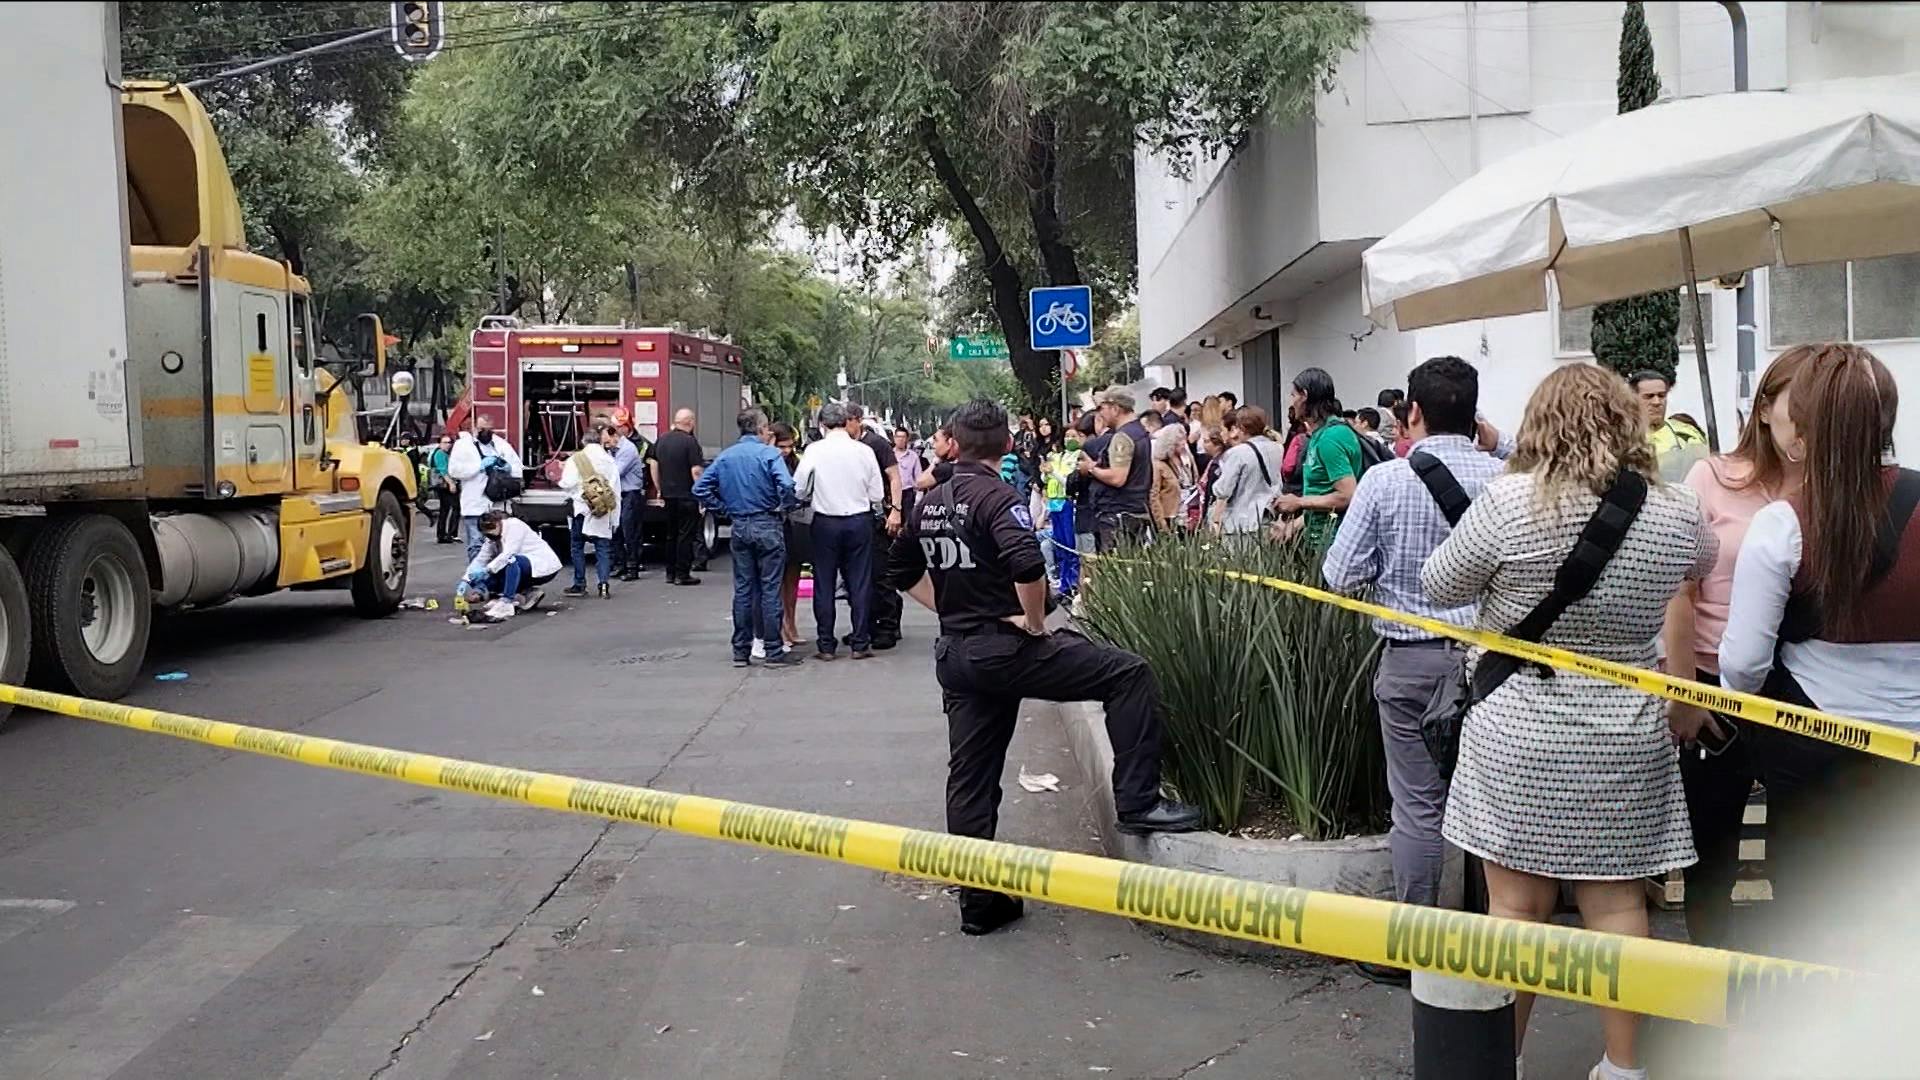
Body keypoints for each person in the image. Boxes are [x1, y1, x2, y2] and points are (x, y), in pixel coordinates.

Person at [1422, 364, 1714, 1080]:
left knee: (1514, 908)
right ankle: (1622, 1067)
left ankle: (1504, 1061)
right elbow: (1703, 561)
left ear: (1540, 422)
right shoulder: (1673, 510)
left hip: (1517, 725)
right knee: (1618, 908)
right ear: (1627, 422)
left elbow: (1438, 584)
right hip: (1625, 733)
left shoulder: (1508, 502)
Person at [883, 398, 1202, 935]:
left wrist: (950, 608)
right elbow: (1028, 561)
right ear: (1008, 445)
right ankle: (1138, 801)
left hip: (959, 655)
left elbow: (899, 569)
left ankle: (979, 903)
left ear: (954, 446)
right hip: (1007, 648)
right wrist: (1033, 622)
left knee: (971, 778)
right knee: (1128, 675)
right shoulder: (996, 496)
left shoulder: (929, 502)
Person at [1719, 343, 1920, 967]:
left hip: (1814, 751)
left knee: (1817, 920)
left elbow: (1743, 667)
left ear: (1804, 433)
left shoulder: (1783, 524)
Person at [1321, 356, 1510, 985]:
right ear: (1475, 414)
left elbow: (1340, 576)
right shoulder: (1508, 479)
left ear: (1414, 412)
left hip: (1411, 663)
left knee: (1419, 807)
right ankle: (1500, 935)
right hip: (1496, 669)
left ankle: (1417, 945)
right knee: (1494, 804)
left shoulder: (1385, 482)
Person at [1652, 348, 1809, 951]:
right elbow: (1680, 591)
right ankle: (1710, 983)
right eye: (1802, 407)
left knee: (1800, 850)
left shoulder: (1824, 486)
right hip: (1716, 684)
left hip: (1800, 690)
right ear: (1765, 407)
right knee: (1712, 848)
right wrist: (1685, 693)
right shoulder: (1711, 477)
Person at [695, 407, 802, 668]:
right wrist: (785, 505)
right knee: (770, 588)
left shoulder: (726, 457)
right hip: (767, 522)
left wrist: (723, 508)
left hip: (740, 525)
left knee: (743, 589)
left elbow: (700, 488)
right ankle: (773, 649)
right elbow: (787, 486)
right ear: (762, 429)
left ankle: (740, 650)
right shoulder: (769, 455)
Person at [795, 402, 884, 660]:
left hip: (825, 522)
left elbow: (799, 488)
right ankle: (860, 642)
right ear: (847, 422)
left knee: (824, 582)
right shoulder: (864, 451)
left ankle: (826, 645)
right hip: (859, 520)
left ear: (822, 424)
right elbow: (877, 493)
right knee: (860, 582)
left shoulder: (814, 450)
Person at [1274, 367, 1362, 548]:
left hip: (1335, 544)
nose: (1291, 402)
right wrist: (1293, 525)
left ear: (1304, 395)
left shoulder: (1331, 437)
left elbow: (1347, 495)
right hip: (1319, 541)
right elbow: (1322, 494)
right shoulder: (1319, 435)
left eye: (1293, 395)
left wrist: (1298, 502)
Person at [845, 404, 906, 649]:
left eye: (847, 421)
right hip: (852, 517)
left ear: (857, 420)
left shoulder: (876, 444)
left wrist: (896, 511)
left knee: (881, 574)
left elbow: (894, 477)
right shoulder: (843, 448)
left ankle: (889, 625)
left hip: (877, 516)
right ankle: (864, 625)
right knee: (857, 578)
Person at [1078, 388, 1153, 550]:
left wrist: (1090, 468)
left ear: (1115, 408)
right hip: (1137, 510)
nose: (1099, 414)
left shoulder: (1123, 437)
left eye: (1101, 408)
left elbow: (1118, 478)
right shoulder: (1141, 432)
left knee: (1115, 569)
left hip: (1119, 515)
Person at [558, 418, 622, 599]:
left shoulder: (576, 459)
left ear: (584, 441)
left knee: (577, 545)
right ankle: (603, 584)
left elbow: (567, 483)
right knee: (603, 547)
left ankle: (580, 584)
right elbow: (615, 490)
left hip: (581, 508)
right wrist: (615, 518)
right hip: (601, 509)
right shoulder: (609, 460)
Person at [447, 413, 524, 562]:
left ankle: (496, 578)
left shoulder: (500, 444)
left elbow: (516, 467)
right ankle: (479, 579)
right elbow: (454, 471)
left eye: (489, 429)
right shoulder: (463, 446)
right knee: (476, 544)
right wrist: (479, 467)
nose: (486, 433)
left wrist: (507, 468)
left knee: (500, 544)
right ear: (475, 428)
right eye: (482, 429)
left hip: (497, 505)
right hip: (474, 503)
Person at [461, 509, 562, 621]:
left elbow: (508, 554)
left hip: (542, 565)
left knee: (509, 561)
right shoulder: (492, 538)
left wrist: (487, 570)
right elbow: (481, 558)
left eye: (491, 531)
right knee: (489, 570)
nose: (490, 535)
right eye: (487, 534)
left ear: (499, 522)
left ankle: (507, 601)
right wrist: (466, 579)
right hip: (523, 568)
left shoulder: (514, 526)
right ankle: (524, 594)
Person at [647, 408, 706, 586]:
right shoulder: (690, 442)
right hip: (687, 495)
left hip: (668, 495)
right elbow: (696, 471)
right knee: (685, 535)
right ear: (690, 422)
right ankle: (682, 574)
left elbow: (653, 465)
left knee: (671, 535)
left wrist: (659, 488)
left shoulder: (662, 439)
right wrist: (702, 496)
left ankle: (670, 573)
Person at [1209, 407, 1286, 536]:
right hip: (1267, 517)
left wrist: (1216, 520)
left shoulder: (1237, 453)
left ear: (1241, 428)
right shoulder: (1277, 448)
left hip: (1240, 521)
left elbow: (1223, 490)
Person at [770, 422, 811, 650]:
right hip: (777, 523)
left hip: (795, 524)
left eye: (790, 446)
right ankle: (781, 628)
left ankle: (791, 623)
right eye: (782, 446)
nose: (786, 451)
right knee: (776, 580)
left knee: (792, 579)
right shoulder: (769, 461)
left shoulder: (797, 461)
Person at [1630, 370, 1709, 483]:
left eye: (1661, 395)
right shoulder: (1624, 438)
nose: (1656, 402)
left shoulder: (1687, 433)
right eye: (1649, 396)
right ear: (1633, 399)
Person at [609, 411, 649, 581]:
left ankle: (632, 567)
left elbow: (615, 472)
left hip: (630, 493)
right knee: (615, 530)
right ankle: (620, 564)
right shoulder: (612, 448)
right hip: (619, 493)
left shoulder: (628, 449)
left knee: (629, 530)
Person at [1149, 425, 1186, 535]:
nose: (1184, 443)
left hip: (1184, 517)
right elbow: (1153, 496)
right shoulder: (1158, 466)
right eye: (1180, 440)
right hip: (1168, 517)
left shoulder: (1184, 460)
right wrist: (1161, 523)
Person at [428, 434, 457, 544]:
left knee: (445, 509)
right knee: (450, 508)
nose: (448, 445)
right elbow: (443, 470)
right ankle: (446, 534)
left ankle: (444, 534)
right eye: (445, 442)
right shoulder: (440, 454)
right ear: (440, 444)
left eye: (449, 442)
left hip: (443, 485)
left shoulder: (443, 453)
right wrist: (451, 484)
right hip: (443, 485)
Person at [893, 426, 923, 493]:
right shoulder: (889, 454)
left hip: (908, 491)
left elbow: (918, 475)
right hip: (892, 491)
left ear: (907, 439)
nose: (900, 439)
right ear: (894, 438)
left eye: (903, 437)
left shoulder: (913, 456)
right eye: (898, 437)